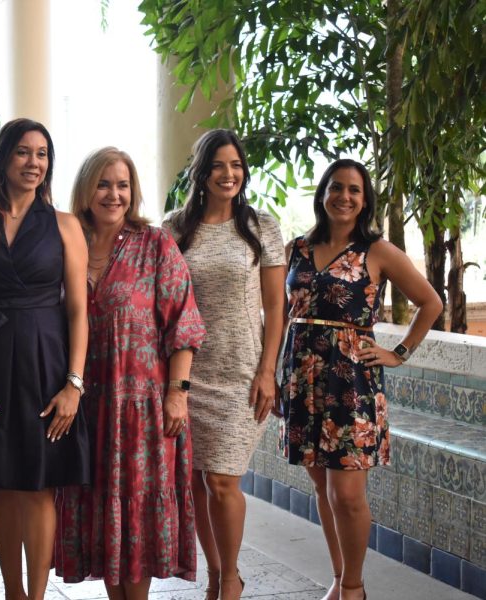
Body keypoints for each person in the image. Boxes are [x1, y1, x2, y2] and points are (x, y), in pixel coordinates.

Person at [279, 158, 441, 600]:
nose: (344, 196)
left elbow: (431, 303)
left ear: (364, 200)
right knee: (321, 484)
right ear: (322, 193)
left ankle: (353, 586)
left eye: (354, 190)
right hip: (302, 376)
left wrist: (399, 353)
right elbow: (281, 311)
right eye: (336, 187)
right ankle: (339, 577)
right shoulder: (297, 247)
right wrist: (276, 374)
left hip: (351, 383)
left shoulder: (378, 251)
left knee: (347, 493)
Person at [0, 118, 90, 600]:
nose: (34, 163)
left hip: (45, 363)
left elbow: (78, 311)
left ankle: (37, 596)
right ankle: (12, 593)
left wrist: (74, 384)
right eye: (24, 152)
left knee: (40, 485)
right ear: (3, 158)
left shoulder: (65, 226)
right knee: (2, 484)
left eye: (43, 154)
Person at [55, 147, 206, 600]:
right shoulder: (66, 240)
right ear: (86, 188)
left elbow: (184, 321)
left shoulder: (154, 243)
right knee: (104, 524)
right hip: (84, 409)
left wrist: (177, 392)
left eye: (122, 185)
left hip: (142, 411)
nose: (113, 194)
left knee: (135, 523)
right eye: (103, 183)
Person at [165, 129, 286, 600]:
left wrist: (267, 370)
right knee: (196, 478)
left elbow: (275, 307)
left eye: (235, 165)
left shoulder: (261, 226)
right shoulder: (174, 228)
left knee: (222, 479)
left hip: (242, 373)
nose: (228, 174)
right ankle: (214, 574)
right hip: (188, 373)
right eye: (218, 165)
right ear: (202, 171)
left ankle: (231, 576)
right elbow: (167, 303)